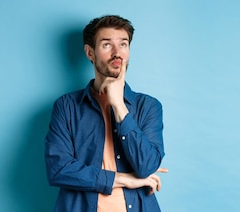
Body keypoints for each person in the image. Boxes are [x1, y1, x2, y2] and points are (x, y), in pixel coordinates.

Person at [45, 15, 167, 212]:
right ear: (89, 52)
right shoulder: (67, 107)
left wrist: (119, 106)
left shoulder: (148, 106)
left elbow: (147, 166)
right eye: (106, 45)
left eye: (123, 44)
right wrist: (123, 179)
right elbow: (58, 170)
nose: (117, 53)